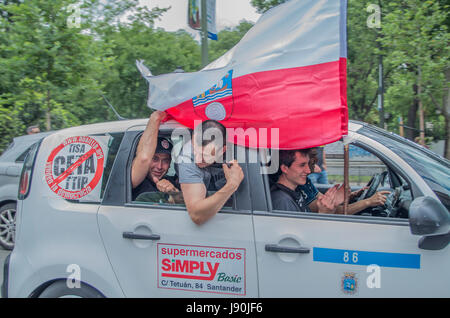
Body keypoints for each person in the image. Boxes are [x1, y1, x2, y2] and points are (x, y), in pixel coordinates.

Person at [271, 149, 390, 214]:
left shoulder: (296, 190)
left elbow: (321, 205)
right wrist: (367, 202)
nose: (309, 170)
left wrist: (345, 199)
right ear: (285, 168)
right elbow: (300, 241)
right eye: (302, 165)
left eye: (310, 164)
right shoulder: (282, 201)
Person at [177, 120, 244, 225]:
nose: (199, 159)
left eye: (207, 155)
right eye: (196, 152)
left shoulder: (239, 152)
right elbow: (197, 215)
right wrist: (232, 185)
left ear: (223, 150)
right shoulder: (186, 158)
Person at [131, 111, 179, 201]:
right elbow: (143, 158)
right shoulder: (135, 181)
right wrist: (155, 118)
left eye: (165, 161)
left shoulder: (171, 182)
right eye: (154, 159)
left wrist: (174, 193)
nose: (159, 167)